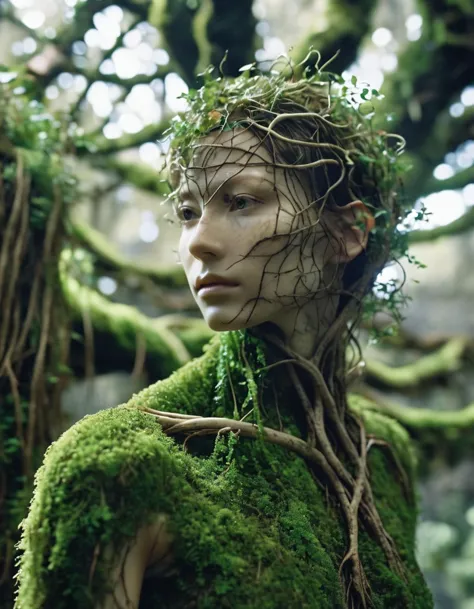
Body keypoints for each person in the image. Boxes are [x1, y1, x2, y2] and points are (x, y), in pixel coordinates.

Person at [14, 58, 433, 609]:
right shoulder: (119, 465)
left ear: (348, 233)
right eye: (188, 212)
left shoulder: (383, 457)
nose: (198, 243)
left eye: (242, 202)